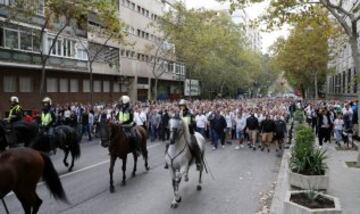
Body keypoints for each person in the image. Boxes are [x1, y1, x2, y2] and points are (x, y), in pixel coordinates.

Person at [179, 99, 202, 169]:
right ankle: (169, 160)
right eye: (180, 106)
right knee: (170, 143)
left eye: (182, 106)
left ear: (185, 106)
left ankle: (198, 162)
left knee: (195, 145)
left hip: (189, 133)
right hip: (180, 134)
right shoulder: (179, 114)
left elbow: (194, 124)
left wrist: (187, 125)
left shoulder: (191, 114)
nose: (181, 107)